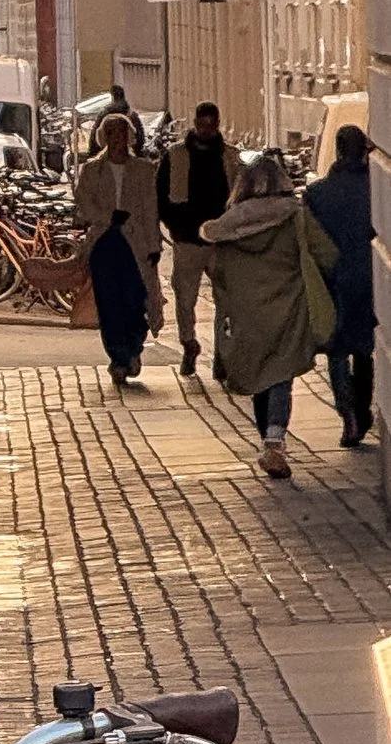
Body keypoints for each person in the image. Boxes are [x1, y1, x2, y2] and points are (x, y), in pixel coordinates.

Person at [202, 152, 337, 479]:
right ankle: (273, 440)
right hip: (288, 308)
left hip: (247, 313)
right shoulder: (296, 217)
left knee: (262, 374)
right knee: (280, 375)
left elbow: (216, 269)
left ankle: (268, 437)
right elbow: (327, 255)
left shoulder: (230, 226)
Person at [73, 111, 162, 387]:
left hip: (135, 245)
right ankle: (118, 358)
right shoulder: (91, 170)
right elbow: (82, 207)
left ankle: (134, 348)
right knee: (109, 304)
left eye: (121, 133)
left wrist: (154, 245)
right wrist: (108, 217)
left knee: (138, 300)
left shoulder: (144, 170)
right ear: (103, 137)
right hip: (104, 243)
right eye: (111, 133)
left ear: (129, 137)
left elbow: (150, 210)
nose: (117, 140)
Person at [303, 122, 378, 445]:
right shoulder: (377, 190)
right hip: (370, 278)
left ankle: (346, 411)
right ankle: (362, 411)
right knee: (364, 350)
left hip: (331, 279)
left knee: (335, 349)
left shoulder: (317, 193)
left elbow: (309, 241)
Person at [156, 101, 233, 377]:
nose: (207, 130)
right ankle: (189, 343)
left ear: (218, 124)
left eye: (212, 126)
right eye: (203, 125)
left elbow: (239, 196)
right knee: (184, 297)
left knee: (226, 298)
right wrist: (173, 223)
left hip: (221, 240)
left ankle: (223, 354)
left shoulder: (229, 157)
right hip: (187, 237)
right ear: (195, 124)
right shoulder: (176, 155)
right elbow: (161, 194)